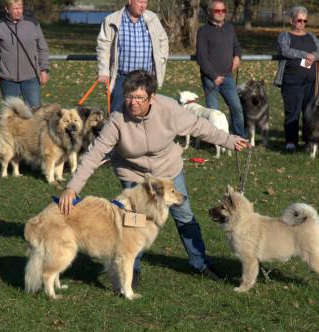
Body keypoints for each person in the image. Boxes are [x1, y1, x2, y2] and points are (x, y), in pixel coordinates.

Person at [59, 70, 249, 288]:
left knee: (184, 216)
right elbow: (95, 153)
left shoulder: (169, 109)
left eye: (139, 98)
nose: (133, 103)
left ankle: (201, 263)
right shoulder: (118, 119)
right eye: (129, 96)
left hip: (168, 171)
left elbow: (201, 127)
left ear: (152, 97)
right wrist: (72, 187)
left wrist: (229, 140)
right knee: (133, 221)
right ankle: (132, 268)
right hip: (134, 175)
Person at [97, 0, 169, 113]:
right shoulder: (112, 20)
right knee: (117, 113)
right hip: (122, 77)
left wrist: (161, 60)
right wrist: (103, 71)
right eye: (140, 2)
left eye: (145, 2)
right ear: (130, 1)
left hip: (146, 78)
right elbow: (103, 47)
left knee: (146, 113)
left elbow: (163, 40)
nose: (143, 6)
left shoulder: (152, 18)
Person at [274, 6, 319, 152]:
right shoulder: (284, 36)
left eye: (304, 20)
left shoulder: (312, 36)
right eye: (299, 20)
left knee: (311, 112)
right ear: (292, 20)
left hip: (313, 82)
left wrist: (314, 56)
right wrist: (305, 54)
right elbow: (285, 50)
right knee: (292, 112)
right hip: (292, 82)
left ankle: (309, 141)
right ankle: (291, 141)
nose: (301, 23)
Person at [196, 0, 245, 138]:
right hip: (210, 79)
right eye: (217, 11)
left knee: (237, 109)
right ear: (210, 12)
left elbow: (237, 46)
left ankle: (240, 138)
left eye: (223, 11)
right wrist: (214, 76)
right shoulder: (203, 31)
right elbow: (201, 57)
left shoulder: (230, 28)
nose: (221, 13)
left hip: (228, 77)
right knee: (214, 112)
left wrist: (237, 56)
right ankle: (215, 140)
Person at [0, 0, 49, 108]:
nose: (19, 11)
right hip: (7, 79)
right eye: (15, 8)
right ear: (7, 9)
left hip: (31, 77)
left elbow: (42, 48)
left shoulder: (33, 24)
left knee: (35, 113)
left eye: (20, 8)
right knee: (11, 115)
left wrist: (44, 69)